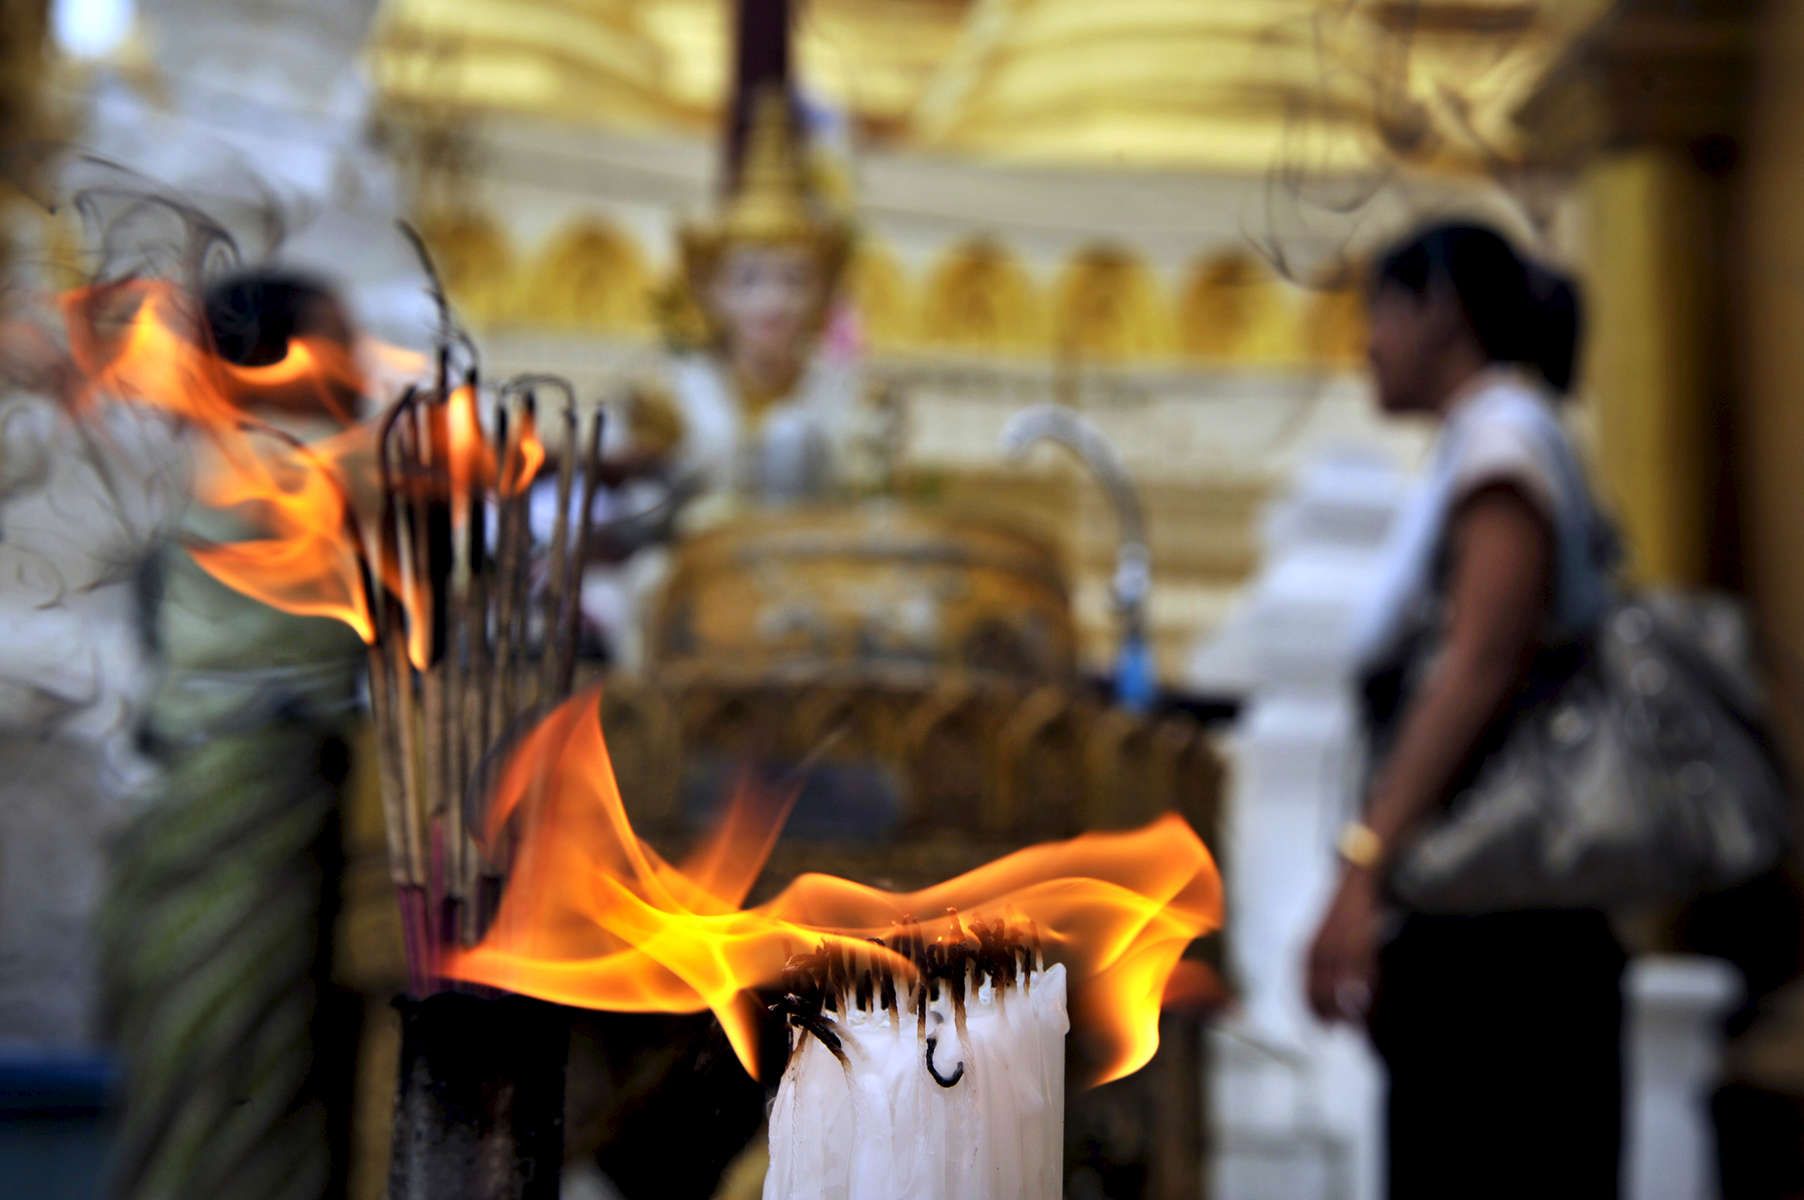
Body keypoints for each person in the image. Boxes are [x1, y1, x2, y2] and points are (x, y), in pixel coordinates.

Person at [1303, 221, 1624, 1197]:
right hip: (1480, 926)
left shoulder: (1502, 437)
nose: (1366, 342)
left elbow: (1480, 660)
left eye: (1380, 311)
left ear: (1439, 309)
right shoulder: (1481, 440)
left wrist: (1362, 865)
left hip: (1506, 946)